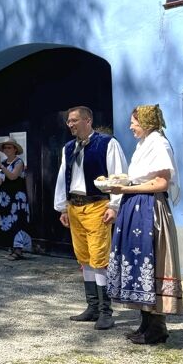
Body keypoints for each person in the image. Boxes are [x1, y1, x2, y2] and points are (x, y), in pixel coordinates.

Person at [107, 105, 183, 344]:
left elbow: (161, 182)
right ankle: (146, 323)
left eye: (134, 122)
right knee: (139, 263)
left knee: (153, 261)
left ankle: (157, 327)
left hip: (150, 209)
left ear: (148, 121)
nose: (130, 127)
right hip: (136, 207)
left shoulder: (159, 144)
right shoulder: (144, 144)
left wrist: (125, 189)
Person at [53, 106, 127, 330]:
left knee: (99, 258)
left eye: (74, 120)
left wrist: (114, 205)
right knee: (84, 258)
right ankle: (92, 307)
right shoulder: (68, 148)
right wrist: (63, 207)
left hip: (97, 205)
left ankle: (106, 311)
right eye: (68, 121)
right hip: (75, 207)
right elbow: (61, 177)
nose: (70, 124)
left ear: (88, 120)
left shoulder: (106, 143)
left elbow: (118, 175)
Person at [0, 138, 33, 260]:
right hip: (6, 197)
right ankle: (11, 247)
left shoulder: (19, 162)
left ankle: (18, 250)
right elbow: (2, 178)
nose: (7, 150)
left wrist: (0, 166)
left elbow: (13, 176)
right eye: (5, 147)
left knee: (17, 221)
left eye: (9, 147)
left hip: (17, 198)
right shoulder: (4, 162)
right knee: (7, 221)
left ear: (15, 149)